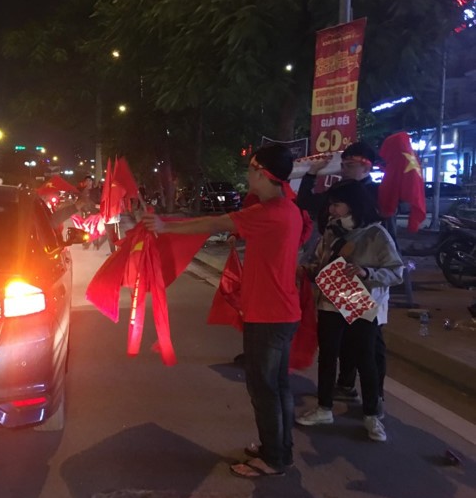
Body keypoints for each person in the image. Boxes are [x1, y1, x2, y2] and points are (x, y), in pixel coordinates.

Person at [143, 144, 303, 478]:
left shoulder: (268, 213)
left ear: (261, 172)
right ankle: (279, 448)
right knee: (279, 386)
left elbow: (214, 223)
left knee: (264, 388)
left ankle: (273, 458)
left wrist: (164, 226)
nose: (248, 175)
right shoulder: (287, 209)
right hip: (284, 310)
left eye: (251, 169)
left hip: (269, 314)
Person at [295, 179, 403, 442]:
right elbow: (318, 262)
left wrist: (367, 272)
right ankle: (324, 408)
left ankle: (371, 415)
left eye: (337, 204)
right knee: (328, 356)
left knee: (365, 359)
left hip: (359, 303)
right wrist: (304, 270)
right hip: (330, 300)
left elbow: (396, 272)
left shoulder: (376, 235)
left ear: (353, 205)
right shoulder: (331, 232)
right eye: (331, 204)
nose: (332, 210)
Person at [297, 141, 391, 407]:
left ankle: (374, 401)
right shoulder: (338, 196)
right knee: (334, 342)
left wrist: (372, 271)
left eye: (351, 165)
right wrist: (312, 174)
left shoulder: (376, 198)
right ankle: (340, 389)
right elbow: (308, 203)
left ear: (366, 166)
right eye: (344, 164)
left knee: (369, 342)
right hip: (335, 278)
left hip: (365, 280)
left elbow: (387, 252)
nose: (332, 209)